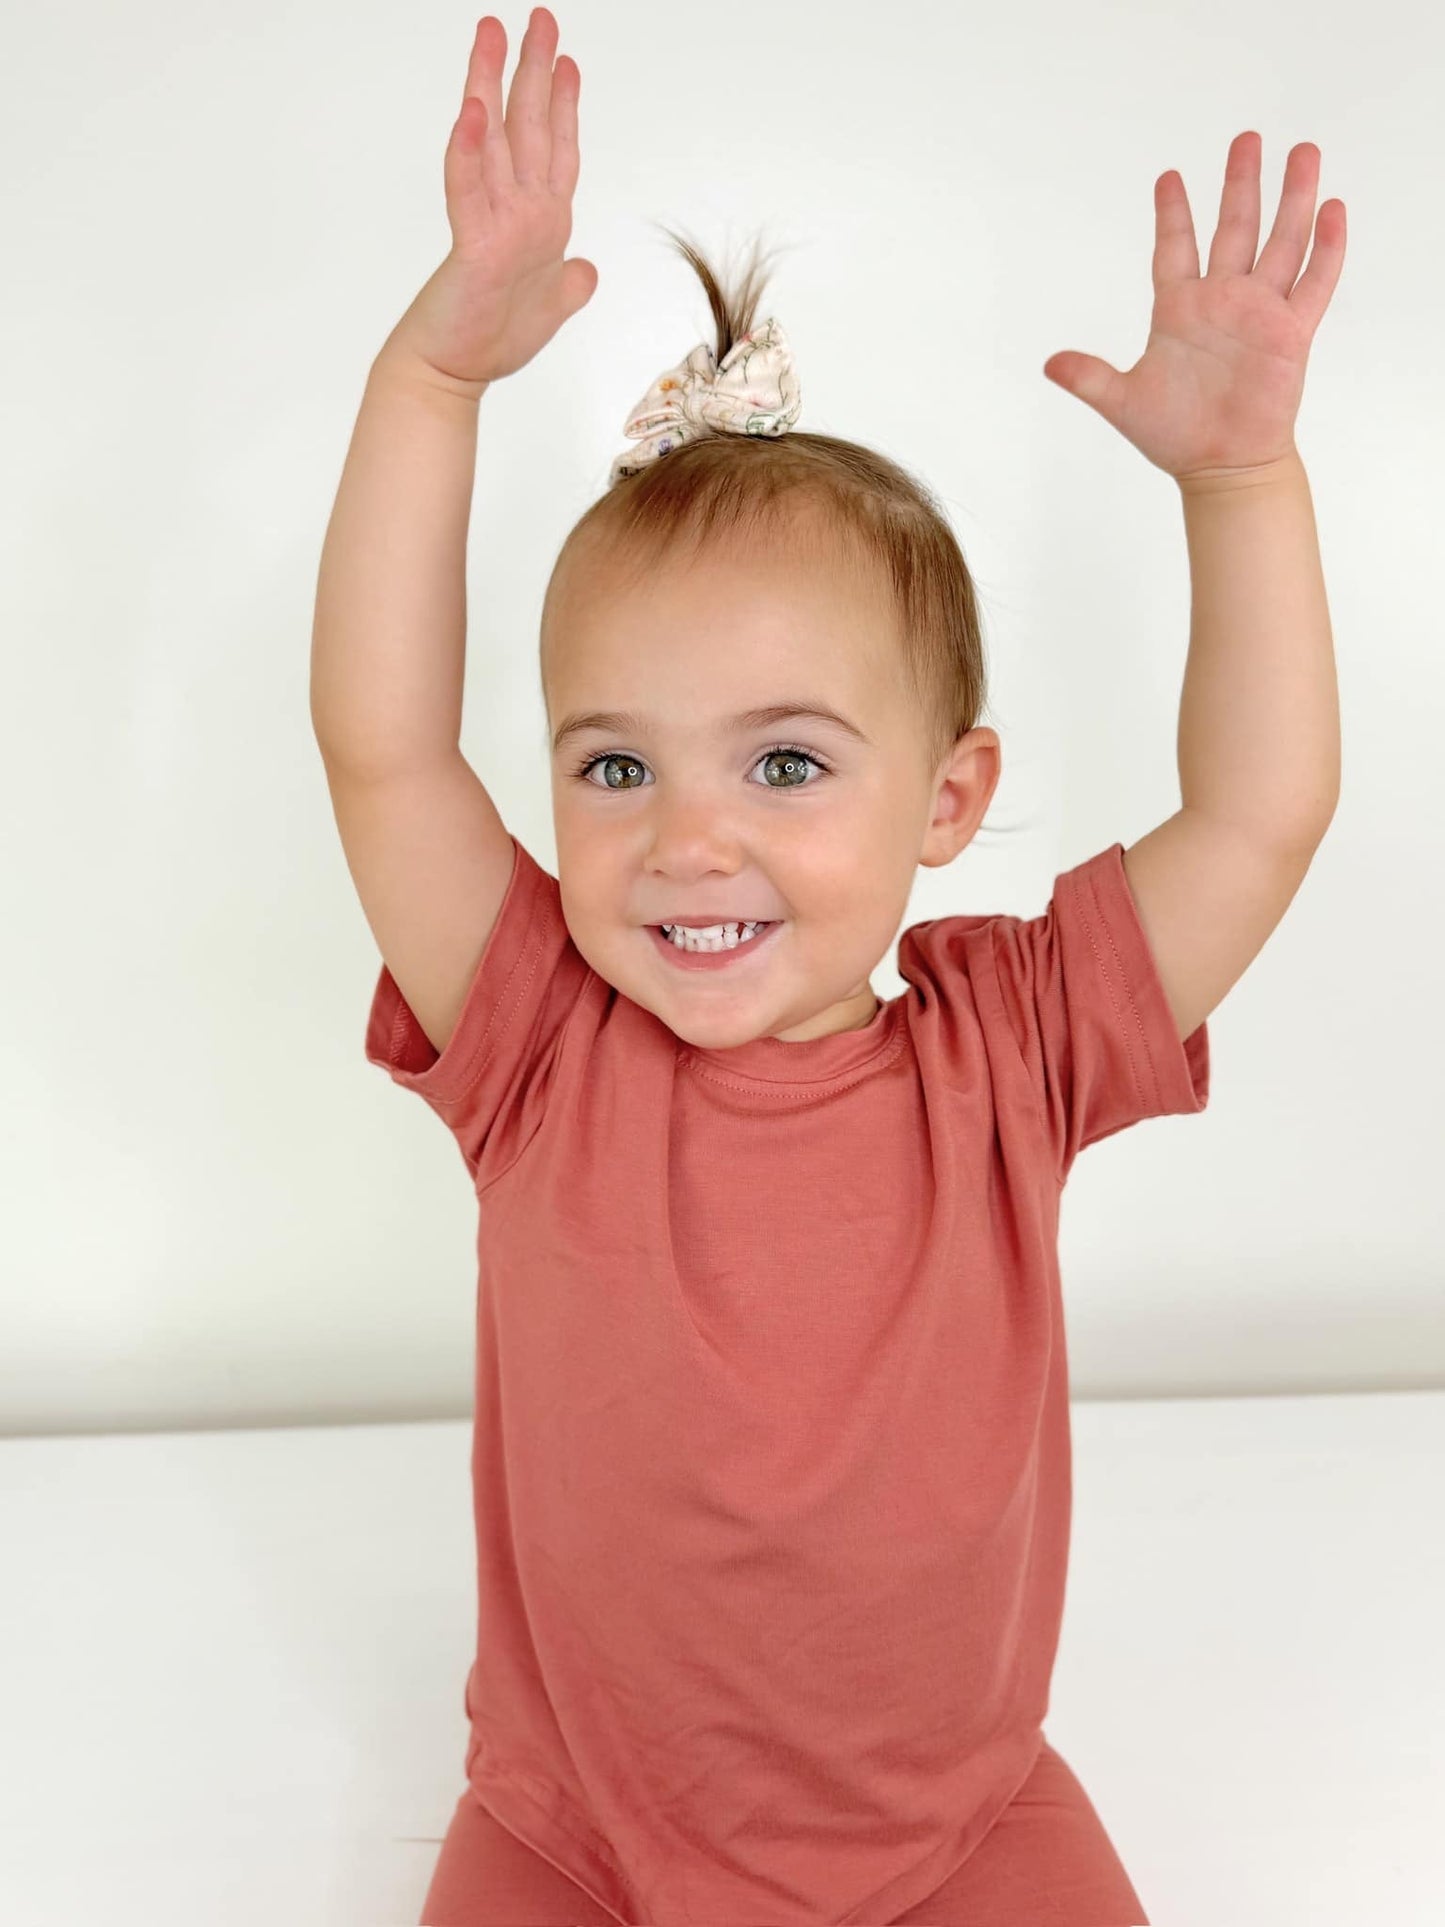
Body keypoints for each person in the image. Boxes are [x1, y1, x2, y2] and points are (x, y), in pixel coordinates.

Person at [310, 9, 1345, 1923]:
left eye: (783, 763)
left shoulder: (1013, 1042)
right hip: (575, 1833)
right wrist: (427, 382)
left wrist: (1241, 491)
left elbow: (1261, 817)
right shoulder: (538, 1035)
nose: (682, 839)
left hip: (959, 1830)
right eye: (611, 764)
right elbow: (380, 743)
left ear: (949, 800)